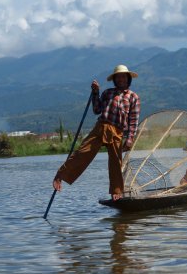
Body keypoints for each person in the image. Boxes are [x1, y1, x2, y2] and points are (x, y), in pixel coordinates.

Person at [52, 64, 141, 201]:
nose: (121, 79)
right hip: (101, 126)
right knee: (82, 152)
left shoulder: (133, 97)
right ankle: (60, 175)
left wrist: (130, 139)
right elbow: (96, 109)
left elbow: (133, 121)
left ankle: (116, 190)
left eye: (123, 77)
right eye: (118, 77)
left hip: (117, 131)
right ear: (115, 79)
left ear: (128, 79)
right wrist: (95, 92)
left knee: (116, 162)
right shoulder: (108, 93)